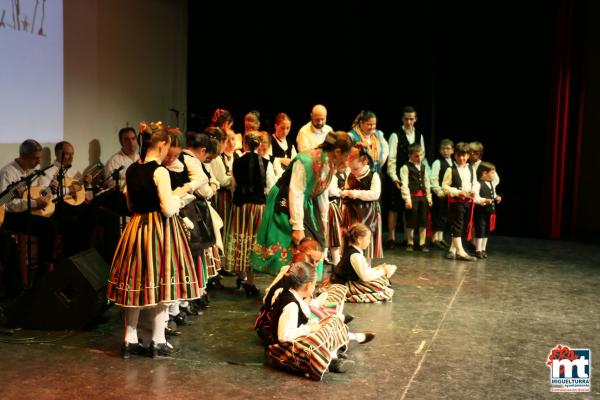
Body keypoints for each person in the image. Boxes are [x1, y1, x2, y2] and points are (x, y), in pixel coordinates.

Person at [106, 122, 201, 358]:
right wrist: (180, 198)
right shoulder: (160, 172)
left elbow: (129, 205)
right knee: (161, 283)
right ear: (161, 145)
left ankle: (129, 340)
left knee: (135, 283)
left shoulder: (131, 170)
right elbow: (168, 210)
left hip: (136, 228)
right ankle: (157, 341)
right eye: (167, 146)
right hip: (159, 231)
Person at [252, 131, 353, 279]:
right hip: (286, 198)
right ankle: (287, 285)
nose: (347, 160)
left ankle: (307, 285)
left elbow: (321, 189)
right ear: (337, 152)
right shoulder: (305, 161)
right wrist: (297, 226)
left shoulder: (330, 162)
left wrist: (324, 219)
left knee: (315, 239)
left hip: (306, 201)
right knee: (293, 240)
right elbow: (296, 192)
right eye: (346, 155)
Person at [264, 261, 352, 380]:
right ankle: (329, 360)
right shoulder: (291, 305)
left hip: (295, 337)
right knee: (318, 338)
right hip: (285, 346)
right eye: (315, 285)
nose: (315, 287)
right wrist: (309, 328)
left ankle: (332, 354)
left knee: (331, 321)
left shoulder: (293, 295)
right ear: (308, 285)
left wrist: (314, 325)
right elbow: (284, 336)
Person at [225, 132, 275, 296]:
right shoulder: (266, 163)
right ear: (259, 144)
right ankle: (250, 282)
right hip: (257, 207)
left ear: (245, 144)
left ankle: (241, 276)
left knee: (241, 240)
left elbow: (234, 185)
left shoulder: (237, 162)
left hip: (241, 207)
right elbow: (270, 187)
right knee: (253, 242)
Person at [0, 139, 57, 283]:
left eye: (39, 158)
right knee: (46, 227)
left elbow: (33, 194)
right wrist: (34, 203)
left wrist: (49, 190)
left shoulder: (28, 172)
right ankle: (41, 276)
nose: (38, 162)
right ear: (23, 156)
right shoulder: (8, 172)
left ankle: (44, 269)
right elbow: (6, 204)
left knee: (50, 223)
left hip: (22, 212)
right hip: (8, 217)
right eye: (35, 158)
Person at [386, 106, 426, 248]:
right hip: (397, 176)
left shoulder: (419, 136)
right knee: (394, 207)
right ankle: (391, 237)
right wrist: (395, 178)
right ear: (402, 119)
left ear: (415, 119)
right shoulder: (395, 135)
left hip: (413, 177)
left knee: (409, 208)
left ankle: (407, 238)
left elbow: (422, 157)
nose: (409, 122)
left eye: (411, 119)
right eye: (406, 119)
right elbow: (391, 159)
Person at [329, 223, 396, 303]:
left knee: (382, 280)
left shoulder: (354, 252)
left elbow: (364, 271)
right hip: (345, 284)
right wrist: (383, 271)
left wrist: (378, 268)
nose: (369, 242)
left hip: (348, 281)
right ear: (359, 239)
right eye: (368, 239)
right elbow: (365, 277)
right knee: (381, 283)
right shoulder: (355, 255)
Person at [341, 145, 383, 262]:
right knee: (352, 239)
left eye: (355, 169)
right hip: (352, 212)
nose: (353, 172)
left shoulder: (373, 175)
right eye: (351, 169)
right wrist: (344, 193)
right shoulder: (350, 175)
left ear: (364, 162)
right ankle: (350, 265)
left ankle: (366, 267)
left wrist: (354, 193)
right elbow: (346, 190)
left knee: (366, 240)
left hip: (368, 213)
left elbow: (375, 194)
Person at [441, 142, 482, 261]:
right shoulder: (450, 170)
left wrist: (474, 190)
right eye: (459, 155)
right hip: (456, 202)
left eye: (464, 156)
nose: (462, 158)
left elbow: (475, 183)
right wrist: (457, 192)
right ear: (455, 156)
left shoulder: (471, 168)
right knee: (457, 226)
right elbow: (444, 186)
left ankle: (453, 250)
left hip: (468, 202)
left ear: (468, 156)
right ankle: (460, 252)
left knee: (463, 226)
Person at [399, 143, 432, 252]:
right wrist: (407, 199)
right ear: (410, 155)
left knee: (423, 221)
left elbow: (427, 182)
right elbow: (404, 184)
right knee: (411, 221)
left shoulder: (423, 167)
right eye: (416, 156)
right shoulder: (405, 167)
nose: (419, 158)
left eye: (421, 155)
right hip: (412, 197)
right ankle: (410, 242)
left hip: (423, 197)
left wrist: (429, 197)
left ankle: (422, 243)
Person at [473, 162, 502, 258]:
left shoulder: (491, 184)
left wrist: (496, 197)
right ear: (485, 173)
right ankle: (478, 250)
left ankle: (483, 249)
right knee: (480, 229)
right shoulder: (478, 184)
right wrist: (484, 200)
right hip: (480, 211)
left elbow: (492, 194)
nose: (494, 175)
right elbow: (475, 198)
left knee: (486, 230)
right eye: (492, 173)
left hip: (489, 212)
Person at [430, 139, 454, 249]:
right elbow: (434, 178)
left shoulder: (453, 163)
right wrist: (438, 190)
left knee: (444, 216)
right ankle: (434, 238)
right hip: (439, 194)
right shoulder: (437, 162)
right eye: (443, 149)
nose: (445, 151)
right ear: (440, 150)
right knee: (437, 215)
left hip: (448, 194)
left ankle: (440, 238)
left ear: (453, 150)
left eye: (448, 149)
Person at [269, 112, 297, 179]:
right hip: (274, 178)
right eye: (282, 128)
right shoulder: (270, 140)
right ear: (276, 126)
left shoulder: (290, 143)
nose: (285, 131)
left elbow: (296, 160)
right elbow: (266, 158)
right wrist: (281, 160)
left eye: (288, 128)